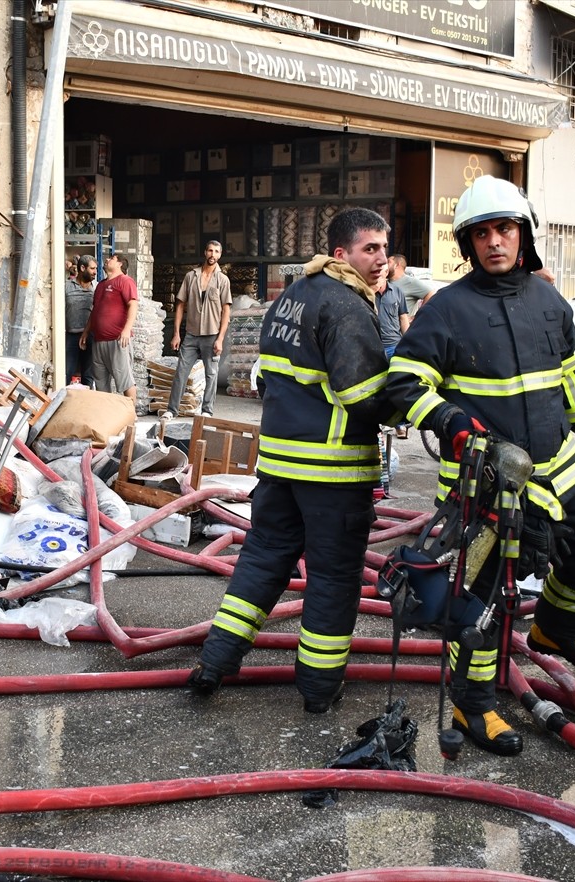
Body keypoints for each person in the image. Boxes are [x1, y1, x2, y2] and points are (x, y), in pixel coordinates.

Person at [384, 175, 575, 756]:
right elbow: (404, 382)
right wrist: (448, 420)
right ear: (468, 245)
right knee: (481, 604)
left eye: (505, 229)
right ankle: (474, 709)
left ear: (523, 235)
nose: (495, 242)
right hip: (485, 485)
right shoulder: (446, 309)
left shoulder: (549, 300)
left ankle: (558, 629)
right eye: (482, 233)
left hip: (559, 470)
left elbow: (569, 376)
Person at [188, 207, 394, 714]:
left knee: (261, 562)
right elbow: (365, 395)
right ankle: (320, 691)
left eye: (385, 248)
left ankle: (214, 662)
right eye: (371, 249)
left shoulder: (295, 294)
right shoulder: (346, 305)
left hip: (279, 467)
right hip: (333, 471)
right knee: (333, 578)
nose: (382, 260)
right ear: (342, 252)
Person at [165, 240, 232, 418]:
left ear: (220, 255)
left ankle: (207, 412)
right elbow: (180, 305)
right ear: (205, 252)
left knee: (211, 374)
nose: (213, 255)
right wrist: (177, 334)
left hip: (212, 336)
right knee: (181, 372)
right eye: (210, 250)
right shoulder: (191, 276)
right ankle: (172, 411)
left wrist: (220, 339)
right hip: (191, 335)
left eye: (217, 252)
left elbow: (226, 311)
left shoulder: (223, 280)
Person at [81, 252, 139, 401]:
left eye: (112, 258)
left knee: (125, 380)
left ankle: (131, 417)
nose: (107, 259)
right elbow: (95, 311)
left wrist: (126, 329)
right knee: (101, 385)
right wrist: (86, 332)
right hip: (99, 341)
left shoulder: (125, 281)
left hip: (118, 340)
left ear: (120, 264)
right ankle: (107, 418)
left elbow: (133, 304)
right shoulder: (100, 285)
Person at [377, 260, 411, 439]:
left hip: (394, 346)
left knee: (396, 385)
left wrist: (407, 341)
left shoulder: (397, 292)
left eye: (383, 268)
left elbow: (403, 318)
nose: (380, 270)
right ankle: (377, 426)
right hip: (373, 347)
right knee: (375, 386)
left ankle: (399, 424)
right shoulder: (366, 292)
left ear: (386, 272)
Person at [65, 254, 97, 386]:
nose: (95, 272)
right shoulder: (66, 286)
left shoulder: (96, 288)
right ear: (82, 268)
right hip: (71, 336)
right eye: (92, 269)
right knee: (66, 372)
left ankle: (87, 404)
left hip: (90, 336)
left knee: (88, 376)